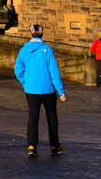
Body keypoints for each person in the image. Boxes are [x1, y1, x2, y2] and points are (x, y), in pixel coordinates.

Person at [13, 24, 66, 157]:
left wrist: (25, 82)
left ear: (30, 34)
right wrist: (61, 91)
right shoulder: (47, 50)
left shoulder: (24, 50)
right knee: (52, 117)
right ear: (42, 34)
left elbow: (18, 70)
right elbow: (54, 71)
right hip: (47, 89)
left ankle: (31, 146)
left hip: (31, 90)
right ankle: (54, 145)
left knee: (33, 117)